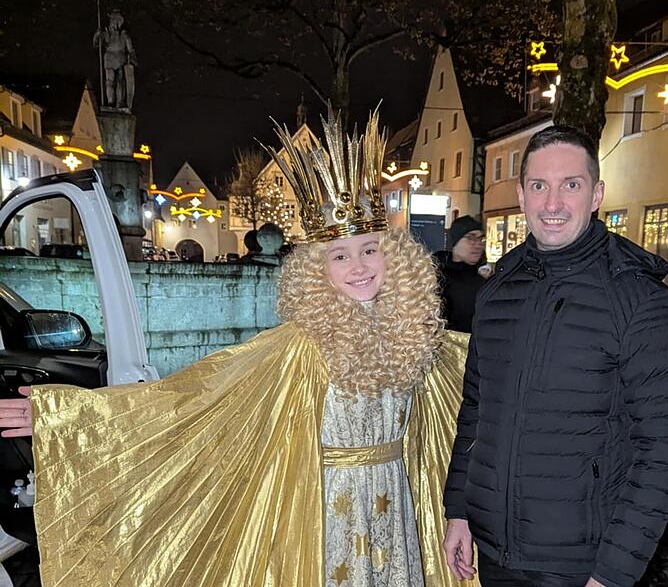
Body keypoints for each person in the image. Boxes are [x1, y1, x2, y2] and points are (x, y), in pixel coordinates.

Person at [0, 109, 477, 587]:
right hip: (323, 514)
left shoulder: (417, 341)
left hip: (397, 509)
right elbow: (192, 401)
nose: (358, 266)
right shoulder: (297, 349)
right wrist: (65, 415)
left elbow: (472, 391)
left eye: (370, 249)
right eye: (339, 254)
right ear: (317, 268)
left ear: (394, 257)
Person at [442, 125, 668, 587]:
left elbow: (665, 447)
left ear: (596, 194)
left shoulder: (638, 299)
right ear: (521, 194)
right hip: (495, 551)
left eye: (570, 185)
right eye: (539, 185)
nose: (552, 204)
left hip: (581, 565)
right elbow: (477, 411)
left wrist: (613, 573)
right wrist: (459, 510)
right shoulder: (497, 290)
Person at [434, 215, 487, 332]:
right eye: (470, 238)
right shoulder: (437, 280)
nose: (478, 244)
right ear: (455, 242)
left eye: (480, 239)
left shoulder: (484, 283)